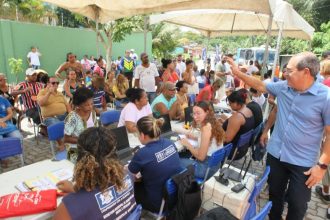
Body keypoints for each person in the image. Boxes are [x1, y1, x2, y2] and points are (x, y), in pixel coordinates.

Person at [227, 52, 330, 220]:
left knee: (297, 205)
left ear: (305, 72)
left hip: (303, 162)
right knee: (274, 196)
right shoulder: (284, 87)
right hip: (276, 154)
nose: (284, 74)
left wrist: (322, 166)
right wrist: (237, 73)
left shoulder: (326, 97)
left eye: (289, 70)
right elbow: (260, 86)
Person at [53, 127, 136, 220]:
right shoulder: (128, 175)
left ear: (80, 158)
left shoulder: (69, 206)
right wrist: (74, 190)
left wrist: (76, 193)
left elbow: (89, 200)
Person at [128, 116, 181, 212]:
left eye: (137, 134)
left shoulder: (142, 154)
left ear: (143, 135)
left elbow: (130, 175)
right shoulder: (169, 143)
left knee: (132, 190)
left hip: (160, 204)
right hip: (177, 195)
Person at [179, 101, 224, 179]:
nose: (195, 117)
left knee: (175, 162)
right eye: (194, 113)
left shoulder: (206, 127)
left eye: (198, 113)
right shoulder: (213, 122)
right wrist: (197, 138)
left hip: (206, 169)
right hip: (215, 165)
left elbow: (201, 157)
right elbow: (210, 139)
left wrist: (187, 144)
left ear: (206, 112)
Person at [37, 77, 71, 151]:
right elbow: (40, 103)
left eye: (57, 83)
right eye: (53, 83)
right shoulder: (42, 92)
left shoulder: (60, 93)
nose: (56, 84)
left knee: (75, 121)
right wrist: (49, 93)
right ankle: (61, 144)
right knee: (57, 125)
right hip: (50, 117)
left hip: (63, 115)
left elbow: (67, 105)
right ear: (48, 84)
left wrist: (71, 114)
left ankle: (70, 141)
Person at [64, 87, 98, 156]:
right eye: (87, 105)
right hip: (75, 149)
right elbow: (66, 138)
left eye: (92, 103)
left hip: (90, 146)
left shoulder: (92, 113)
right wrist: (84, 141)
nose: (90, 107)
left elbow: (96, 129)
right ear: (78, 105)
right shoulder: (72, 117)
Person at [222, 90, 255, 160]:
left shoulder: (237, 117)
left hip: (232, 150)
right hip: (242, 148)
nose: (229, 105)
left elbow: (226, 139)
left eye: (230, 103)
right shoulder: (248, 110)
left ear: (237, 103)